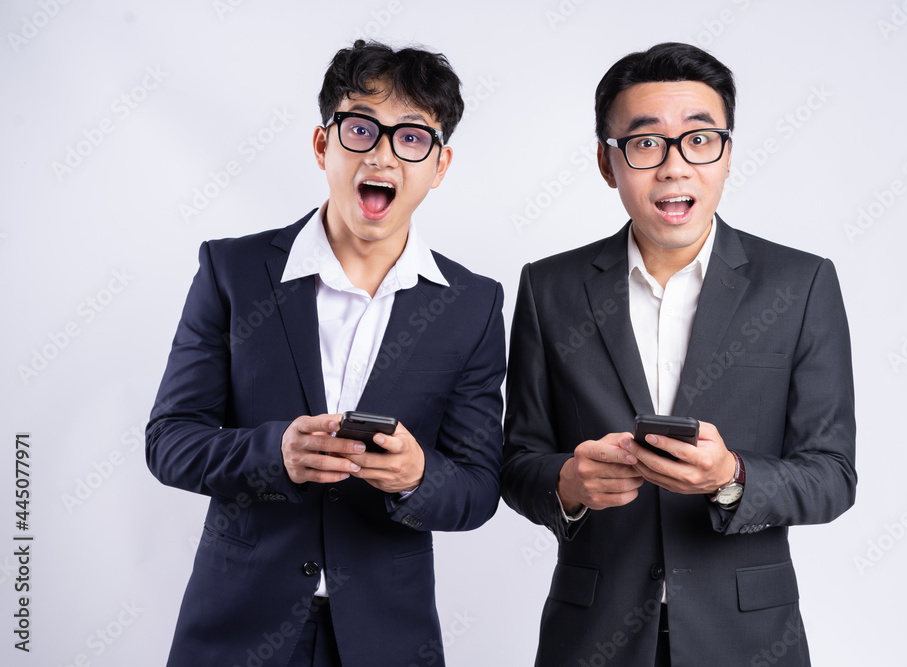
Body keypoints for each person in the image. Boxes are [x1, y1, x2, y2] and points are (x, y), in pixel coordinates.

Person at [146, 40, 506, 667]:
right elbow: (170, 440)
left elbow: (477, 489)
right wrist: (273, 451)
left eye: (412, 138)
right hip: (233, 631)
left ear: (440, 164)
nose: (385, 155)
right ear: (323, 145)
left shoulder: (472, 304)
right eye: (362, 130)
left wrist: (420, 476)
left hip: (388, 638)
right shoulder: (232, 271)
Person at [501, 42, 856, 666]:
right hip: (592, 636)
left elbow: (832, 474)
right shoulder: (547, 289)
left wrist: (732, 478)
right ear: (609, 164)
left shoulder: (800, 285)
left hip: (747, 638)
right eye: (645, 143)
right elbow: (517, 460)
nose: (674, 167)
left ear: (725, 154)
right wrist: (568, 482)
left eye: (700, 139)